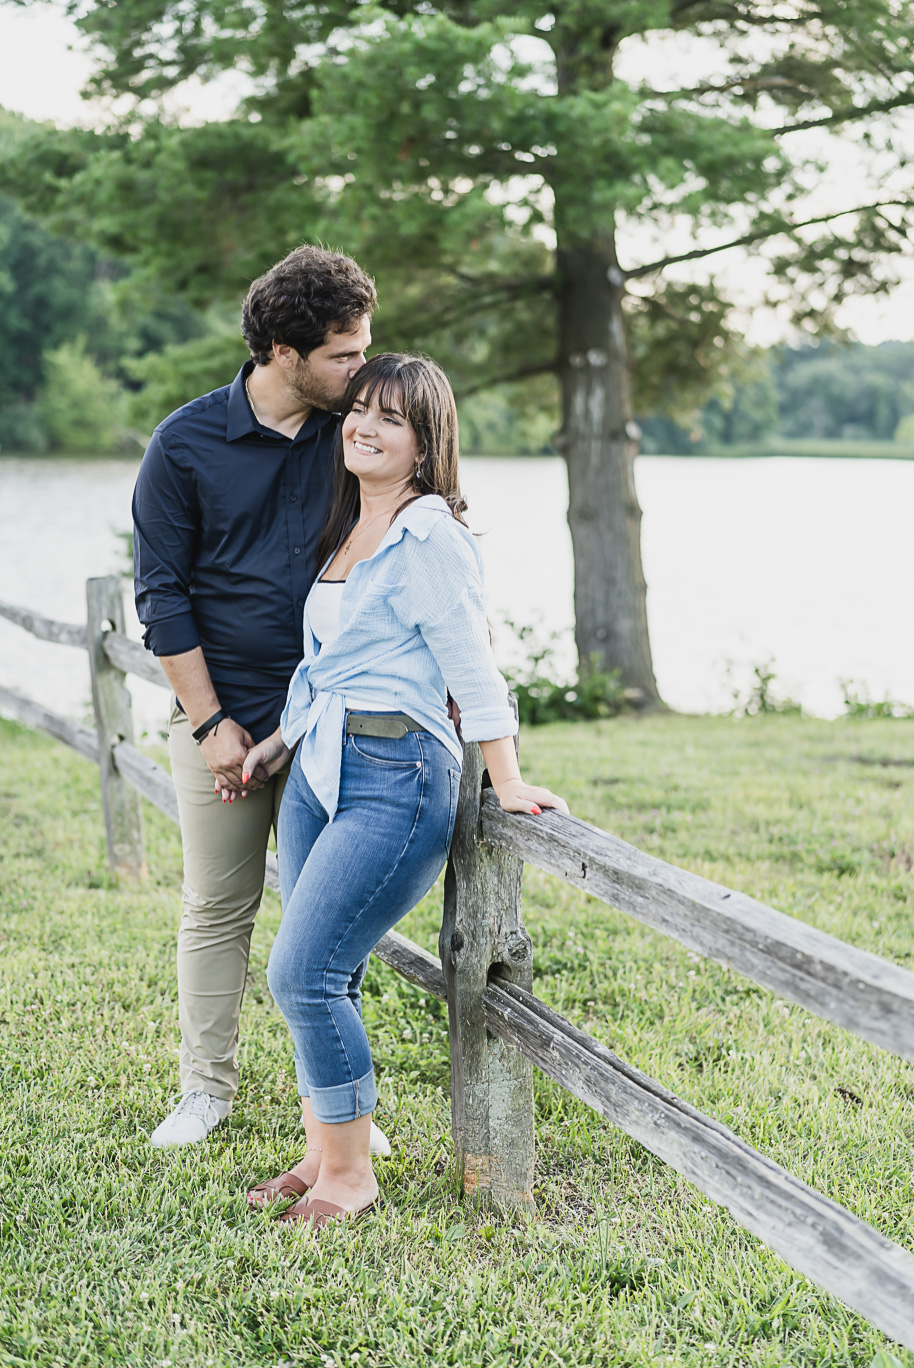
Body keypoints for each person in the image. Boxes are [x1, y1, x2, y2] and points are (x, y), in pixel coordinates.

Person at [237, 352, 568, 1228]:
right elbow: (329, 667)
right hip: (318, 767)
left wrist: (507, 780)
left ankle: (352, 1177)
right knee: (323, 974)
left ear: (425, 444)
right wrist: (275, 745)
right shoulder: (349, 527)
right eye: (359, 410)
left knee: (304, 972)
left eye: (390, 418)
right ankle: (322, 1153)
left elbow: (473, 670)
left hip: (396, 774)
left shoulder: (430, 538)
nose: (364, 426)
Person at [133, 245, 392, 1155]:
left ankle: (343, 1104)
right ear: (285, 351)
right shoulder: (185, 442)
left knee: (325, 918)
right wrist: (210, 724)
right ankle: (205, 1090)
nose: (362, 370)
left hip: (334, 718)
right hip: (222, 720)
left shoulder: (358, 434)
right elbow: (161, 593)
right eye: (344, 354)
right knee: (217, 905)